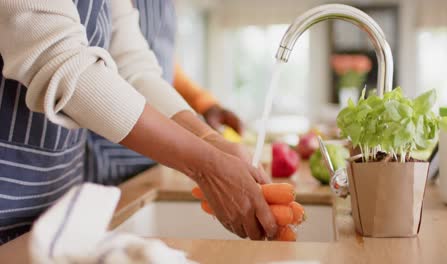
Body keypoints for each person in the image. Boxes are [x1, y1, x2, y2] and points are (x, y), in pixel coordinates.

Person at [0, 0, 277, 244]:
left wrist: (211, 141)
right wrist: (206, 165)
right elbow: (58, 58)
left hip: (58, 199)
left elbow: (133, 68)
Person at [85, 0, 244, 185]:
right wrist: (204, 149)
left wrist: (205, 105)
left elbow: (157, 67)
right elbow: (120, 65)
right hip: (109, 144)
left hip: (163, 144)